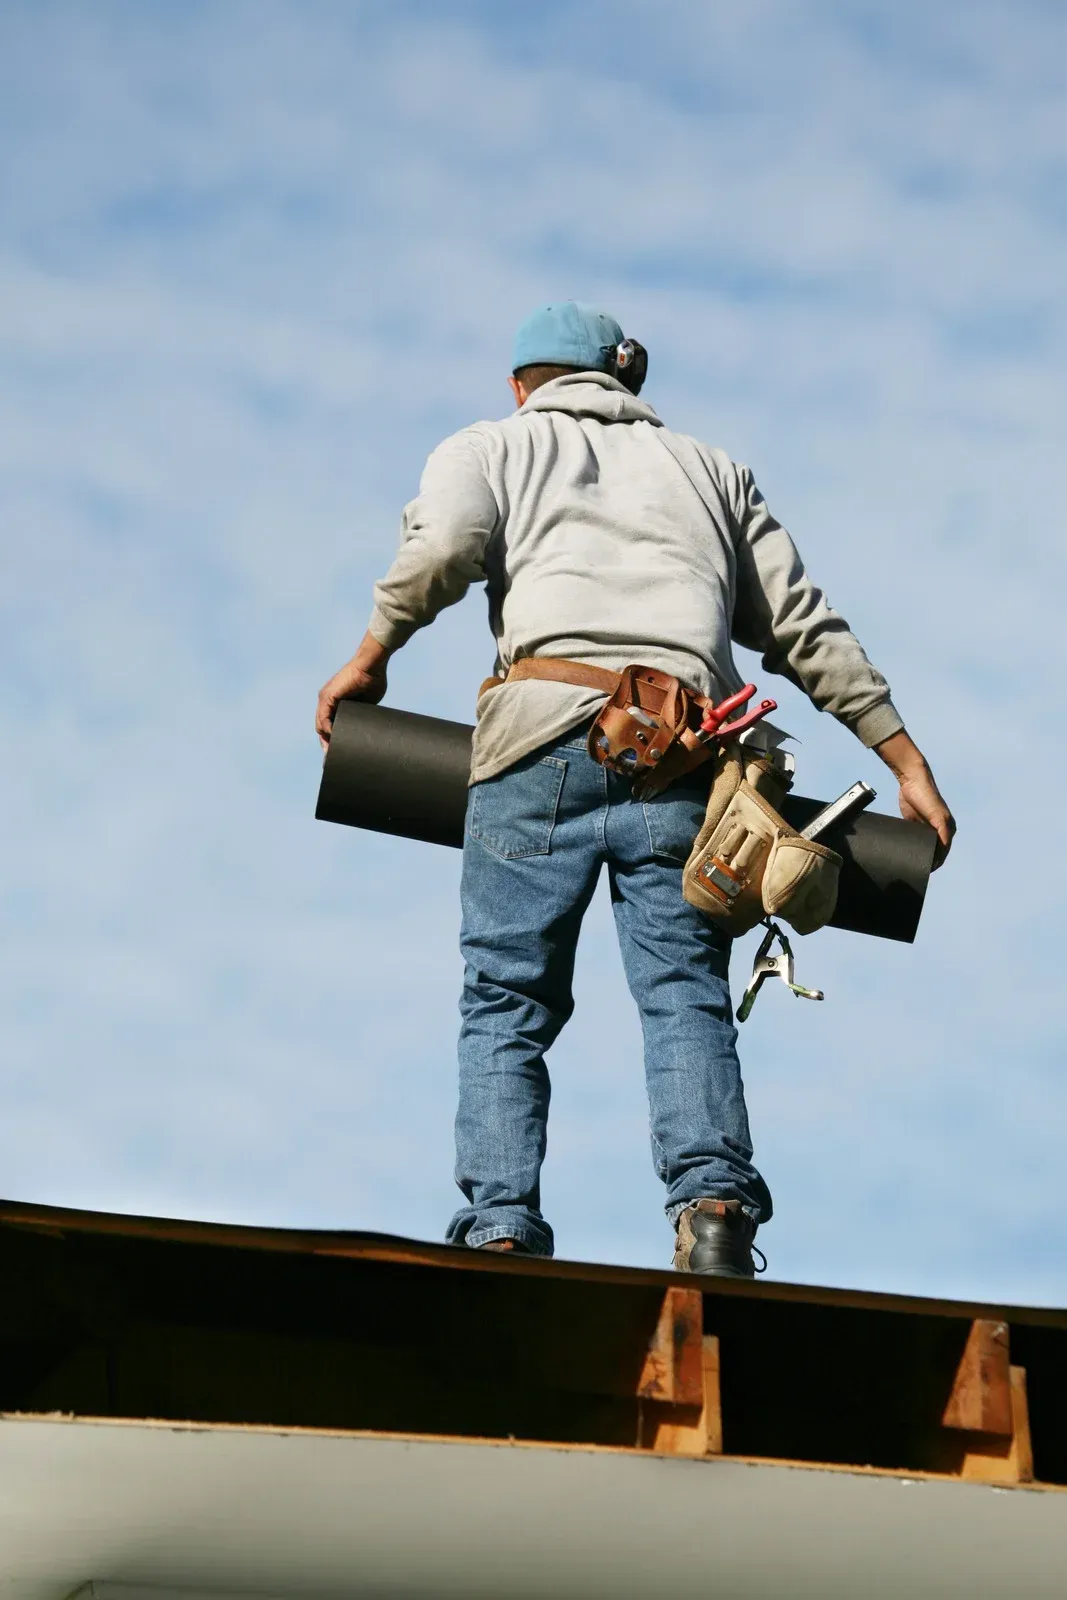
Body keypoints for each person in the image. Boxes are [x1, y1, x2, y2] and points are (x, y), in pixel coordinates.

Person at [316, 301, 955, 1276]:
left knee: (506, 1000)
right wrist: (901, 757)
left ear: (520, 382)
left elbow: (441, 546)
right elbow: (801, 627)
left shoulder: (490, 444)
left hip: (535, 745)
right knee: (680, 990)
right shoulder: (708, 470)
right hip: (678, 764)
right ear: (626, 384)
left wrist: (369, 658)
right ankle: (713, 1214)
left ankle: (499, 1223)